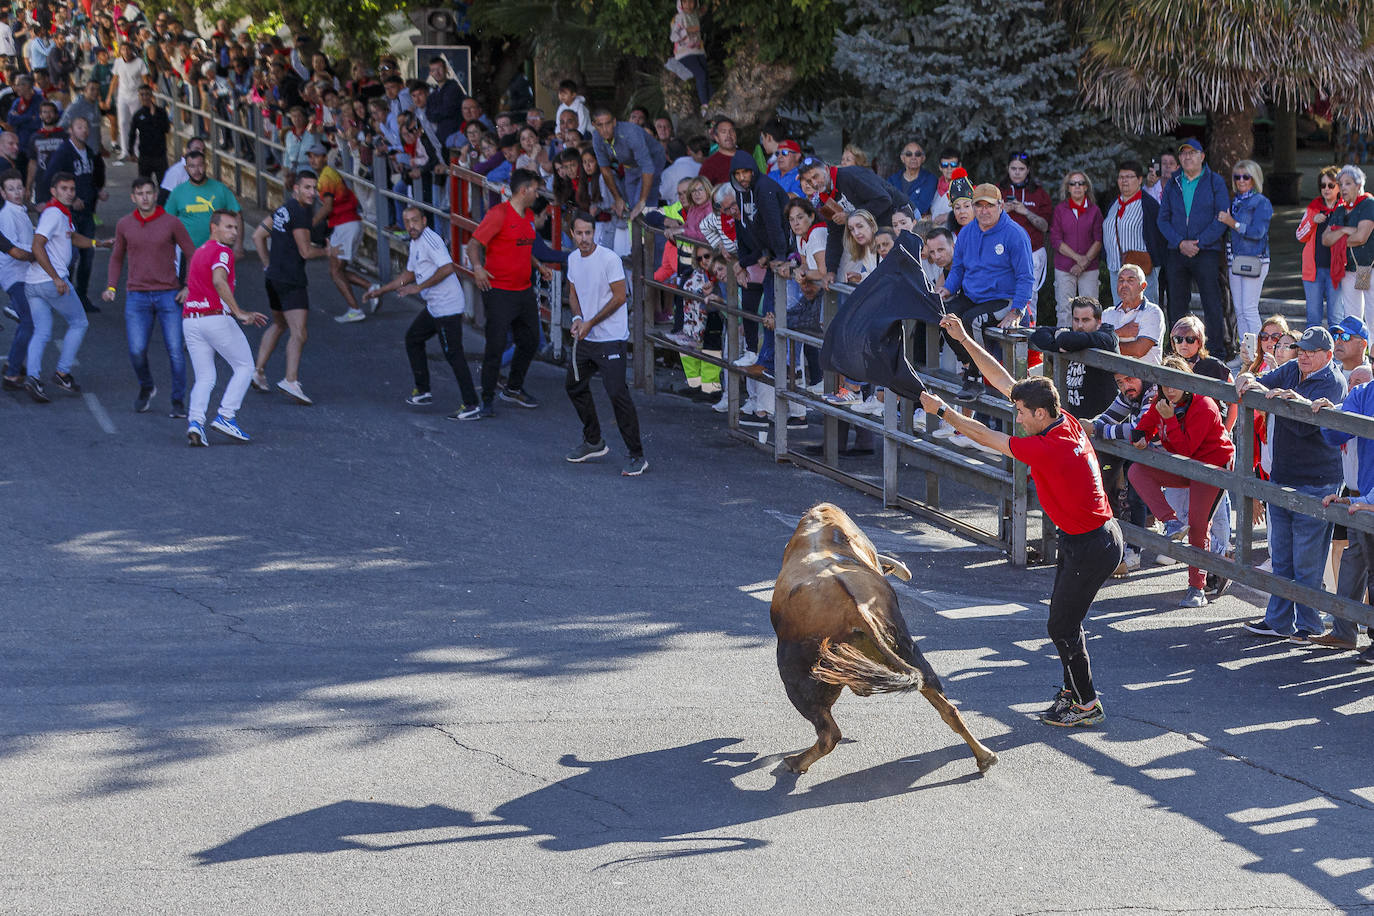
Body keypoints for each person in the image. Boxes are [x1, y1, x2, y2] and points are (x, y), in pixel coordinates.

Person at [919, 314, 1122, 727]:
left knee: (1061, 625)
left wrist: (942, 410)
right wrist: (963, 339)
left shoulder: (1049, 448)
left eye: (1022, 412)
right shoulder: (1060, 421)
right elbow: (1002, 380)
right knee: (1067, 623)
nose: (1018, 417)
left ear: (1042, 413)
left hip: (1092, 545)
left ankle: (1086, 704)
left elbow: (982, 436)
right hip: (1085, 538)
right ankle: (1072, 694)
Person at [1236, 326, 1346, 640]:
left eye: (1312, 351)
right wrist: (1248, 378)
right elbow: (1263, 380)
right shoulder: (1292, 368)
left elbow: (1306, 430)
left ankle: (1309, 624)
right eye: (1302, 349)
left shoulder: (1334, 382)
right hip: (1284, 476)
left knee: (1307, 562)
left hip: (1318, 480)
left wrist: (1291, 402)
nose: (1305, 355)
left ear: (1327, 354)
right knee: (1282, 556)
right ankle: (1279, 621)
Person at [1128, 355, 1236, 607]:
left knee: (1199, 525)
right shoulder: (1162, 400)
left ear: (1188, 381)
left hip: (1212, 468)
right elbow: (1142, 427)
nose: (1171, 390)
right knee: (1136, 471)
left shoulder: (1204, 405)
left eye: (1175, 383)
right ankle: (1172, 522)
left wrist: (1167, 419)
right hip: (1184, 466)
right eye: (1165, 385)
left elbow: (1187, 450)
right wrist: (1140, 436)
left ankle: (1197, 587)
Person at [363, 205, 479, 420]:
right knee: (413, 339)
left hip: (447, 307)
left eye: (415, 220)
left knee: (453, 354)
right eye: (407, 222)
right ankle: (423, 391)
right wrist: (381, 290)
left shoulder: (431, 240)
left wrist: (419, 287)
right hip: (435, 306)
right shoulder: (415, 243)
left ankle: (471, 404)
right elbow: (409, 273)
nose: (411, 226)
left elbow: (447, 268)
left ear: (424, 221)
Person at [465, 168, 564, 417]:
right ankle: (486, 399)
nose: (537, 193)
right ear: (523, 190)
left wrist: (539, 266)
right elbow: (474, 243)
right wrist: (477, 268)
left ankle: (513, 387)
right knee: (495, 346)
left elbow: (522, 246)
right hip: (498, 291)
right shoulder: (498, 214)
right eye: (535, 189)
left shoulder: (529, 216)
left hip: (523, 291)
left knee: (530, 341)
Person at [562, 210, 647, 475]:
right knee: (574, 385)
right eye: (579, 233)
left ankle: (637, 455)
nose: (584, 238)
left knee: (617, 394)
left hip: (610, 339)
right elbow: (573, 291)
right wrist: (577, 317)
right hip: (587, 337)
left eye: (588, 233)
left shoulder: (609, 259)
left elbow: (620, 297)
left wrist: (590, 322)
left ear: (595, 232)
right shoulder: (573, 258)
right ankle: (593, 440)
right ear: (572, 234)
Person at [105, 175, 195, 416]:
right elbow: (116, 257)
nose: (145, 197)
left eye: (149, 193)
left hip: (169, 294)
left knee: (176, 350)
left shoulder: (172, 222)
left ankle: (178, 401)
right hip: (137, 296)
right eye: (140, 194)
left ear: (156, 195)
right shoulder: (124, 224)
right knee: (136, 350)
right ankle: (147, 386)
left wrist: (188, 286)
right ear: (133, 197)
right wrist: (111, 286)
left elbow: (192, 254)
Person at [938, 183, 1035, 400]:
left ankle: (977, 376)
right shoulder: (966, 232)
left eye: (989, 205)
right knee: (946, 317)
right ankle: (969, 366)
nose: (984, 211)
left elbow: (1026, 277)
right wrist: (948, 289)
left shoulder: (1015, 234)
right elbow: (958, 268)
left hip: (1005, 299)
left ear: (1000, 205)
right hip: (973, 297)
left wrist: (1017, 311)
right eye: (979, 205)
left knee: (974, 320)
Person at [182, 210, 270, 446]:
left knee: (205, 377)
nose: (234, 232)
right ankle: (226, 416)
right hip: (215, 318)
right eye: (229, 227)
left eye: (236, 228)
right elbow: (219, 280)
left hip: (191, 319)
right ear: (214, 227)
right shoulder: (222, 251)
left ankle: (195, 423)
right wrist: (240, 312)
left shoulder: (199, 252)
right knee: (245, 366)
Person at [22, 172, 111, 402]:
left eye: (72, 189)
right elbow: (37, 245)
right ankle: (62, 373)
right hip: (51, 282)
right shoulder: (54, 214)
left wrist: (97, 243)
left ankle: (33, 377)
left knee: (41, 331)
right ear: (53, 191)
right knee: (79, 322)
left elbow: (71, 238)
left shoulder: (61, 213)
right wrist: (56, 278)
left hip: (32, 284)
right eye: (64, 188)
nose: (69, 193)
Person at [251, 170, 335, 405]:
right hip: (291, 279)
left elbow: (258, 236)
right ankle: (290, 380)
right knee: (299, 332)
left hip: (273, 278)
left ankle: (258, 372)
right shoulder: (300, 212)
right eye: (307, 188)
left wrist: (267, 264)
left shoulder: (283, 209)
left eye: (314, 188)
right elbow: (306, 251)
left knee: (279, 324)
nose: (312, 193)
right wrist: (327, 252)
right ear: (295, 188)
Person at [1158, 138, 1231, 350]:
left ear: (1202, 157)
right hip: (1177, 251)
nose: (1187, 157)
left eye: (1192, 153)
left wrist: (1199, 242)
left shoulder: (1214, 181)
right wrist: (1180, 242)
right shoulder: (1174, 182)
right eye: (1183, 154)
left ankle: (1216, 350)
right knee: (1177, 305)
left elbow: (1222, 217)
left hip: (1206, 251)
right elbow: (1163, 219)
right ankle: (1178, 351)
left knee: (1212, 303)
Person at [307, 143, 374, 323]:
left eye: (317, 156)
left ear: (324, 157)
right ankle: (372, 288)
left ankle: (355, 308)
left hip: (345, 224)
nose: (313, 159)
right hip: (346, 224)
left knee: (336, 271)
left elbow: (328, 206)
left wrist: (310, 224)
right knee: (338, 269)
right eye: (310, 156)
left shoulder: (327, 176)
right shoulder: (326, 175)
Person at [1030, 297, 1119, 420]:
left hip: (1102, 421)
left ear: (1098, 322)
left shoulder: (1107, 335)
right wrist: (1058, 345)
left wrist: (1061, 340)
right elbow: (1039, 334)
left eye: (1086, 320)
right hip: (1074, 419)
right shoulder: (1072, 332)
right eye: (1076, 320)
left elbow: (1066, 339)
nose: (1080, 325)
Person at [1217, 158, 1273, 344]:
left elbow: (1258, 232)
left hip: (1254, 259)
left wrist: (1232, 222)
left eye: (1246, 177)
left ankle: (1260, 356)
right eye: (1237, 176)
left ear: (1254, 178)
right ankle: (1246, 354)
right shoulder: (1234, 202)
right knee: (1240, 310)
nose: (1241, 180)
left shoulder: (1261, 202)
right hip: (1235, 259)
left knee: (1249, 309)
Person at [590, 107, 662, 224]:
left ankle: (653, 239)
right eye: (600, 125)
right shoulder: (597, 137)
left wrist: (643, 200)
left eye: (608, 124)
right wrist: (617, 199)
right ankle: (636, 240)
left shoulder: (630, 133)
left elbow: (648, 167)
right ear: (594, 125)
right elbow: (605, 170)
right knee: (632, 206)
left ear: (614, 122)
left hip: (652, 163)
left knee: (643, 206)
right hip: (630, 167)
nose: (605, 129)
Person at [1049, 171, 1103, 325]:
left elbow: (1098, 239)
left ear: (1086, 187)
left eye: (1081, 183)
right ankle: (1064, 343)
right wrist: (1079, 259)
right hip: (1064, 267)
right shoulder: (1060, 209)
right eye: (1073, 184)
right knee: (1064, 308)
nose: (1077, 187)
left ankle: (1090, 344)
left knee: (1091, 307)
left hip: (1090, 268)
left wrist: (1084, 262)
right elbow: (1056, 239)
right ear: (1068, 188)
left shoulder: (1094, 210)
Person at [1323, 164, 1374, 323]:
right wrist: (1346, 230)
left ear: (1358, 185)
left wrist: (1337, 236)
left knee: (1372, 317)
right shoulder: (1340, 209)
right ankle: (1356, 347)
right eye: (1341, 184)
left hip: (1367, 267)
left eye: (1348, 183)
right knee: (1351, 318)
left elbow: (1361, 237)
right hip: (1348, 269)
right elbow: (1325, 239)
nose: (1343, 188)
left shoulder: (1368, 204)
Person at [1297, 165, 1345, 328]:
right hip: (1313, 271)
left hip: (1338, 272)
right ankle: (1311, 353)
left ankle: (1336, 354)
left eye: (1331, 185)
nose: (1326, 189)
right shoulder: (1313, 207)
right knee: (1313, 319)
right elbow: (1299, 236)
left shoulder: (1346, 210)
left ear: (1339, 187)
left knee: (1336, 319)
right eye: (1323, 185)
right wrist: (1312, 221)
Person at [998, 152, 1053, 293]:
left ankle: (1030, 317)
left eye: (1021, 169)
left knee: (1029, 299)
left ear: (1028, 170)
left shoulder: (1039, 193)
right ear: (1007, 168)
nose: (1017, 173)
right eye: (1013, 168)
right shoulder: (997, 190)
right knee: (1003, 297)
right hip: (1003, 253)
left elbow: (1045, 226)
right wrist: (1002, 211)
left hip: (1032, 252)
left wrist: (1026, 211)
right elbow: (983, 221)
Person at [0, 170, 35, 390]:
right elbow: (14, 250)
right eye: (11, 189)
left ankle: (15, 363)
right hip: (15, 276)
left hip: (24, 275)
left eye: (19, 188)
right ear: (2, 193)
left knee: (30, 322)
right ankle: (12, 371)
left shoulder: (20, 211)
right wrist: (39, 255)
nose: (17, 193)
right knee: (29, 323)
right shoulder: (7, 215)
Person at [165, 149, 239, 249]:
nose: (196, 170)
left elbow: (237, 215)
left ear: (206, 166)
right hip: (187, 252)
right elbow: (167, 221)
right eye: (192, 166)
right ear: (186, 168)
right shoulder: (177, 192)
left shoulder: (221, 189)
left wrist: (238, 245)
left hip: (217, 250)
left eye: (200, 165)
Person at [1101, 263, 1165, 364]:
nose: (1124, 284)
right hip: (1112, 376)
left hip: (1144, 377)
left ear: (1143, 286)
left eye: (1130, 280)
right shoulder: (1107, 313)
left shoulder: (1153, 312)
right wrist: (1120, 332)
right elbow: (1097, 342)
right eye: (1121, 280)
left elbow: (1138, 350)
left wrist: (1106, 343)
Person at [107, 43, 148, 161]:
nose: (125, 52)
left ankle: (137, 150)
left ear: (131, 51)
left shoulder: (139, 62)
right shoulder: (118, 62)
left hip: (136, 96)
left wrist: (146, 96)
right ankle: (125, 150)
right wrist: (109, 96)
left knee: (137, 123)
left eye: (127, 49)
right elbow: (114, 80)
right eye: (123, 49)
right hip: (122, 96)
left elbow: (145, 80)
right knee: (123, 122)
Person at [127, 83, 170, 182]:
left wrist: (154, 116)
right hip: (145, 156)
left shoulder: (161, 112)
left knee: (164, 187)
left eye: (147, 94)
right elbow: (132, 134)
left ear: (151, 95)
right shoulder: (138, 115)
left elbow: (166, 129)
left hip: (160, 155)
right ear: (139, 96)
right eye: (142, 95)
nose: (145, 97)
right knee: (144, 185)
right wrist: (131, 152)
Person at [888, 140, 936, 217]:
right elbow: (889, 204)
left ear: (923, 158)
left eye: (917, 154)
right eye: (908, 154)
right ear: (902, 158)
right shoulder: (892, 180)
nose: (913, 157)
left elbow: (922, 207)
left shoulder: (930, 179)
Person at [158, 136, 205, 206]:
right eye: (197, 149)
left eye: (203, 150)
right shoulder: (176, 171)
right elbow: (163, 199)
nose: (201, 153)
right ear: (188, 150)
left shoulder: (202, 169)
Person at [698, 117, 739, 186]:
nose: (728, 135)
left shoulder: (746, 157)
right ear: (716, 137)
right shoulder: (709, 165)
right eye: (723, 132)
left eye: (731, 131)